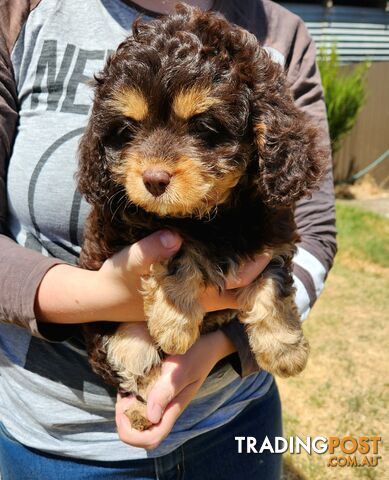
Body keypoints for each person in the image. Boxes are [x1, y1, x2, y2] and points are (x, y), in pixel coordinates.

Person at [0, 0, 337, 478]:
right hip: (56, 440)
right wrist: (105, 300)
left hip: (234, 418)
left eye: (202, 127)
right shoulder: (22, 13)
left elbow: (314, 232)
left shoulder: (283, 33)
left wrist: (224, 343)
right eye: (130, 128)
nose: (155, 166)